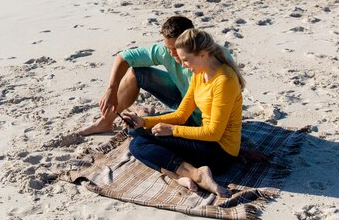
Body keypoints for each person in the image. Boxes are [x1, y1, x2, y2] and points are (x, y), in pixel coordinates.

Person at [124, 28, 245, 197]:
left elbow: (214, 133)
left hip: (221, 153)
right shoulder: (200, 74)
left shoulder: (224, 80)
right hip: (205, 142)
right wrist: (144, 122)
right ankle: (179, 175)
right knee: (139, 132)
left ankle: (195, 175)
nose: (183, 65)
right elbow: (181, 115)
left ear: (203, 54)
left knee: (139, 144)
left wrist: (173, 130)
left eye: (186, 60)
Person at [79, 16, 200, 136]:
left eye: (176, 48)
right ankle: (105, 123)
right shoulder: (165, 52)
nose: (172, 53)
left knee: (137, 131)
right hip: (182, 97)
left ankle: (137, 110)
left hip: (198, 113)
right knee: (138, 73)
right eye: (169, 48)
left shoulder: (207, 62)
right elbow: (124, 57)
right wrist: (112, 88)